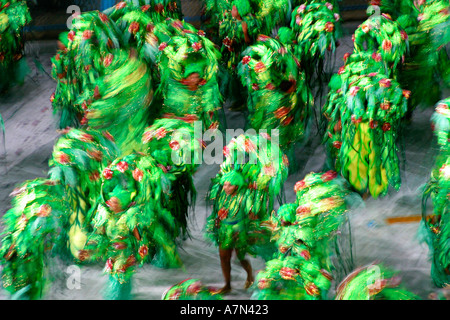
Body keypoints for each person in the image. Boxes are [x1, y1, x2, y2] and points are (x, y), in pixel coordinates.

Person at [206, 170, 255, 294]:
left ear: (237, 186)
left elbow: (251, 213)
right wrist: (217, 220)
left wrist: (253, 213)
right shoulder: (222, 194)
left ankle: (250, 275)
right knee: (224, 257)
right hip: (224, 230)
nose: (226, 188)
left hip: (239, 230)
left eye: (230, 185)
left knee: (240, 257)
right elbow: (217, 209)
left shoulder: (244, 196)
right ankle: (227, 285)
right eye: (225, 185)